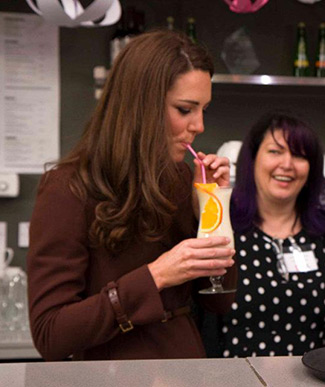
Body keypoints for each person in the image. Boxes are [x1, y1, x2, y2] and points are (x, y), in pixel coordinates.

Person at [27, 30, 237, 361]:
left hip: (187, 368)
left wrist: (211, 211)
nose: (199, 126)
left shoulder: (185, 180)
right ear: (141, 107)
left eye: (204, 110)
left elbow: (219, 301)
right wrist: (156, 276)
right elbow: (51, 335)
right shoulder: (67, 188)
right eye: (185, 109)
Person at [210, 112, 325, 357]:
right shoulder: (224, 226)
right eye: (275, 152)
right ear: (252, 159)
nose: (287, 164)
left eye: (299, 155)